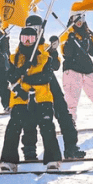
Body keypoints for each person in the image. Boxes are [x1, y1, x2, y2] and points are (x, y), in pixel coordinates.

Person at [0, 23, 64, 171]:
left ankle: (52, 160)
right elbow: (10, 76)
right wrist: (23, 69)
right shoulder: (14, 58)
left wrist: (27, 78)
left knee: (47, 126)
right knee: (13, 126)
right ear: (20, 39)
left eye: (31, 38)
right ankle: (8, 160)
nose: (27, 42)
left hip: (42, 98)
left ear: (36, 39)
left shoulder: (44, 57)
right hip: (21, 99)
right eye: (24, 38)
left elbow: (46, 77)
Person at [20, 14, 84, 160]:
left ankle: (71, 148)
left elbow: (55, 66)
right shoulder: (24, 44)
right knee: (31, 117)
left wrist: (53, 51)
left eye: (38, 28)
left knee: (63, 113)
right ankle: (29, 151)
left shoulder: (45, 46)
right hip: (33, 85)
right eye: (31, 28)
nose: (35, 31)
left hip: (50, 81)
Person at [60, 12, 93, 128]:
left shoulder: (87, 35)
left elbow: (91, 48)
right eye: (77, 18)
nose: (80, 21)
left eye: (82, 18)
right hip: (72, 69)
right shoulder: (67, 34)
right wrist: (70, 41)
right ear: (71, 19)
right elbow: (66, 54)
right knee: (71, 97)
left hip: (88, 68)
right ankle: (69, 120)